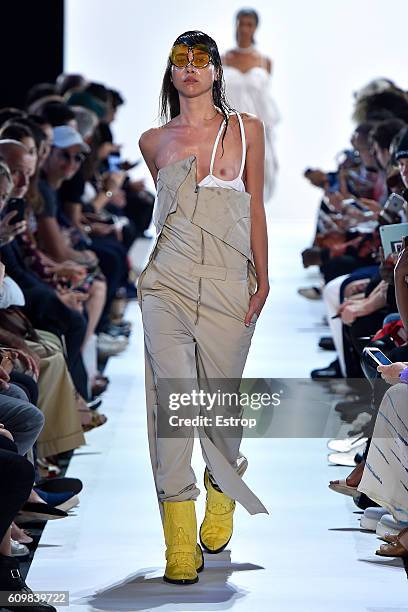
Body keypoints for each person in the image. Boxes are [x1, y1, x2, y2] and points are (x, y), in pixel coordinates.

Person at [138, 30, 269, 586]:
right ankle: (177, 547)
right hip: (165, 283)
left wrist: (262, 279)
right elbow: (174, 217)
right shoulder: (152, 141)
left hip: (227, 284)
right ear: (171, 73)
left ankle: (222, 486)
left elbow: (254, 206)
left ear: (216, 71)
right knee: (171, 406)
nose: (189, 69)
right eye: (179, 61)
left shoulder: (247, 130)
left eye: (200, 60)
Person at [222, 8, 280, 202]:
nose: (244, 28)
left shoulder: (265, 62)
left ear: (256, 28)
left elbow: (264, 101)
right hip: (229, 127)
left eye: (249, 24)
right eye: (241, 23)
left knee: (257, 181)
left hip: (257, 128)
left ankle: (253, 228)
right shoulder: (223, 59)